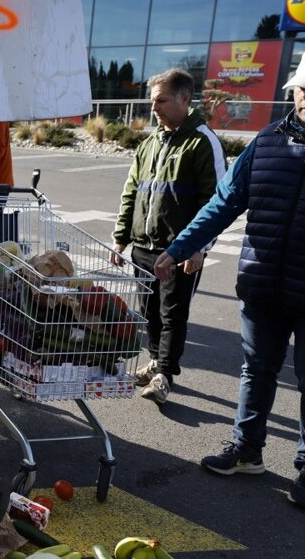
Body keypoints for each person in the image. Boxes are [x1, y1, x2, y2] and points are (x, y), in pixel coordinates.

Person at [153, 59, 305, 507]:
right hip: (262, 284)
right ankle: (246, 451)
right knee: (255, 370)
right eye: (302, 89)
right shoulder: (266, 142)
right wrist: (180, 247)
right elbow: (223, 203)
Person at [109, 68, 226, 405]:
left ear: (184, 99)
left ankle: (165, 374)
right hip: (143, 247)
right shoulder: (149, 143)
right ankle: (155, 362)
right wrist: (121, 239)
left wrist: (197, 248)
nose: (154, 108)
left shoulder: (202, 142)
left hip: (178, 252)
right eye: (152, 101)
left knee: (173, 313)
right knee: (150, 312)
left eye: (160, 100)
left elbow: (215, 202)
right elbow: (131, 192)